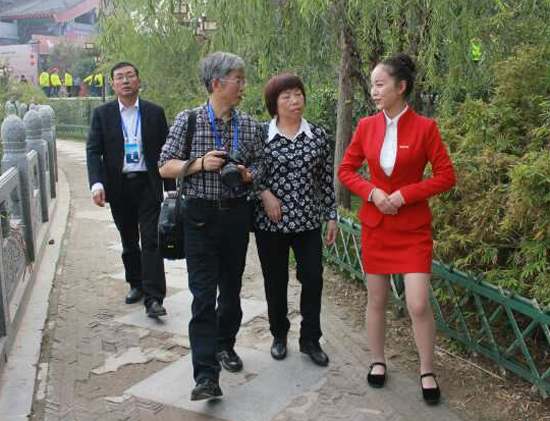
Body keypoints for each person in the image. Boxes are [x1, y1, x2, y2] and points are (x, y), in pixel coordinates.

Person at [338, 54, 456, 405]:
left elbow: (446, 176)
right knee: (377, 300)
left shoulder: (425, 128)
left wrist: (406, 194)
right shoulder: (365, 126)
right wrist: (372, 192)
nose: (374, 91)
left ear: (401, 87)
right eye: (372, 85)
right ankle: (377, 360)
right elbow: (345, 170)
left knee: (418, 303)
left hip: (412, 228)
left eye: (380, 84)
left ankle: (427, 369)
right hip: (376, 226)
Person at [158, 52, 263, 401]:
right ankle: (206, 376)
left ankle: (224, 344)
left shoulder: (249, 125)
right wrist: (199, 164)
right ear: (216, 83)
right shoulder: (189, 120)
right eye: (238, 80)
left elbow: (261, 166)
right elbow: (164, 166)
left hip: (235, 216)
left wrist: (247, 175)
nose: (243, 86)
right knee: (203, 297)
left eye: (243, 79)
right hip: (199, 217)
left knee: (231, 291)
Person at [254, 73, 337, 367]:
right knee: (275, 281)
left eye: (298, 94)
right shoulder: (260, 135)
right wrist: (264, 193)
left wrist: (331, 214)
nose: (294, 101)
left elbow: (326, 179)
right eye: (286, 96)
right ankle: (279, 334)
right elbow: (246, 173)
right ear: (274, 103)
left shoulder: (318, 135)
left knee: (313, 279)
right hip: (270, 224)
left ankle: (310, 339)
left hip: (307, 222)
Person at [86, 61, 175, 318]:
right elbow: (93, 151)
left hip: (148, 184)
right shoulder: (102, 114)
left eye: (129, 76)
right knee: (128, 240)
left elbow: (167, 151)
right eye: (119, 77)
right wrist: (97, 184)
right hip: (119, 186)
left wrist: (170, 189)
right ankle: (136, 283)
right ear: (113, 84)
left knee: (151, 239)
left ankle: (154, 298)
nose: (125, 81)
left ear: (138, 80)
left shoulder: (154, 112)